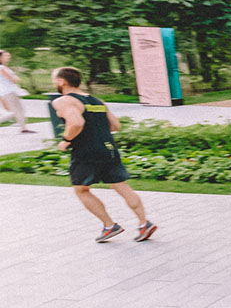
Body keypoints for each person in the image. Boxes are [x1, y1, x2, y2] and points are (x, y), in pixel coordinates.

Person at [50, 66, 156, 242]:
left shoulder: (64, 101)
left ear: (62, 81)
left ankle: (109, 226)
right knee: (121, 186)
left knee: (82, 190)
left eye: (54, 78)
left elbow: (76, 123)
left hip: (86, 152)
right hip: (108, 149)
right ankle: (144, 223)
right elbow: (115, 125)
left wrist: (66, 140)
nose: (53, 82)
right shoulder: (97, 101)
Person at [0, 50, 34, 133]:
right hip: (8, 92)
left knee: (19, 110)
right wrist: (16, 78)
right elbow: (12, 80)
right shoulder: (2, 68)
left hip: (9, 91)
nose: (8, 57)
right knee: (15, 111)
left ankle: (23, 128)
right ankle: (23, 128)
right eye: (6, 56)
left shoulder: (4, 67)